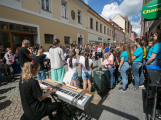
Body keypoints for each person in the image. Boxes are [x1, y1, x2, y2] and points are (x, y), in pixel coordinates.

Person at [146, 31, 161, 99]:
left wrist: (147, 63)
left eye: (154, 36)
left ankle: (152, 94)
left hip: (155, 63)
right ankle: (152, 92)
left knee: (154, 80)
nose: (153, 37)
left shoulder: (157, 45)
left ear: (158, 37)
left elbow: (153, 57)